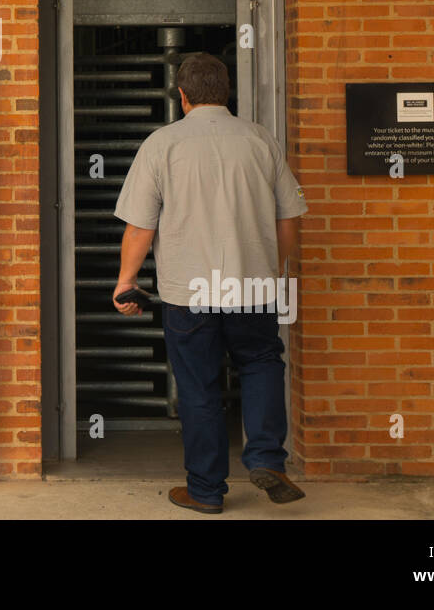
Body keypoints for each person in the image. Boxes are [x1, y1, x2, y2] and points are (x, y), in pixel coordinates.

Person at [112, 52, 308, 514]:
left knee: (199, 388)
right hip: (253, 287)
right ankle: (265, 458)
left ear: (182, 96)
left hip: (189, 293)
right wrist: (271, 267)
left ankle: (205, 490)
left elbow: (140, 228)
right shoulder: (262, 141)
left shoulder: (162, 144)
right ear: (225, 92)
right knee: (261, 364)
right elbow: (289, 220)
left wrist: (126, 282)